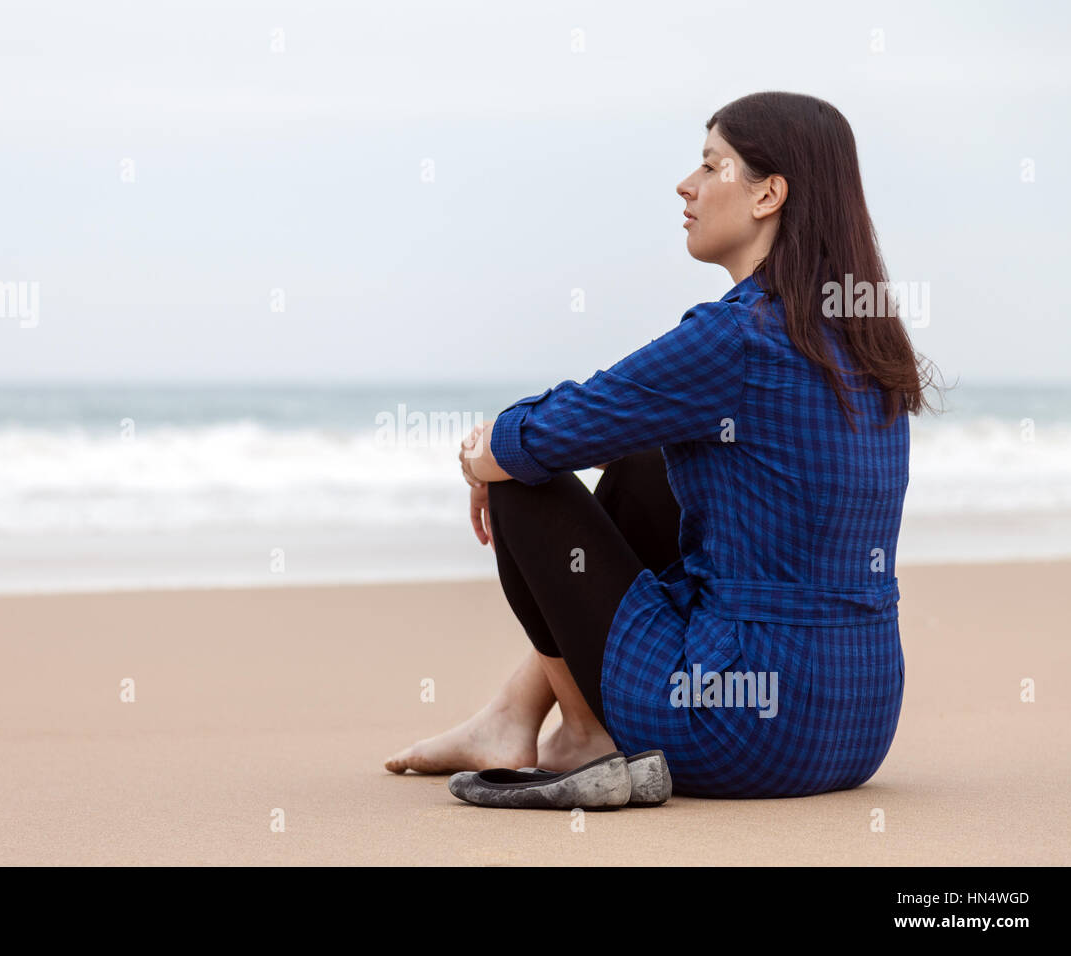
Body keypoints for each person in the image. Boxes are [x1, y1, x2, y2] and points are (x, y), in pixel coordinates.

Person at [385, 91, 942, 798]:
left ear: (769, 193)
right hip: (857, 726)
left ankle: (582, 731)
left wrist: (479, 455)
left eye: (713, 167)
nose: (688, 185)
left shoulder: (734, 336)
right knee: (648, 461)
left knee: (520, 481)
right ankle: (514, 712)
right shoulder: (867, 342)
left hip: (736, 731)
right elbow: (610, 422)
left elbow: (540, 436)